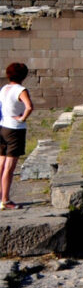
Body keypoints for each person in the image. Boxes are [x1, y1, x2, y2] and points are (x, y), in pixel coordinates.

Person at [1, 63, 33, 210]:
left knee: (1, 165)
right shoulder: (21, 90)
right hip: (15, 129)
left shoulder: (4, 89)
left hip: (3, 127)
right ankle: (6, 200)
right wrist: (22, 118)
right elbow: (29, 107)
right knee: (9, 167)